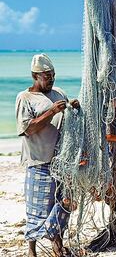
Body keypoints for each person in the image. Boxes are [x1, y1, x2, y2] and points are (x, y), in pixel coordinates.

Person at [15, 53, 79, 257]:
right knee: (37, 209)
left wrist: (74, 106)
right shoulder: (24, 98)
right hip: (38, 161)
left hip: (61, 162)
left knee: (64, 203)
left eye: (53, 75)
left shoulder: (58, 92)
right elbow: (27, 128)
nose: (51, 79)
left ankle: (57, 247)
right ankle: (31, 250)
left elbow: (68, 115)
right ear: (35, 76)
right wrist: (50, 112)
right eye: (47, 76)